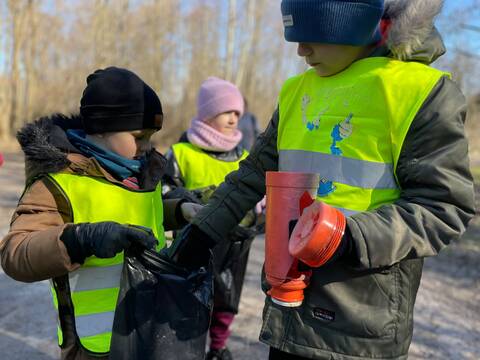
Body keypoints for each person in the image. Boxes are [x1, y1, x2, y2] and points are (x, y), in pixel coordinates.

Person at [171, 1, 476, 359]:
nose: (300, 50)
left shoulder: (421, 93)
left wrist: (348, 236)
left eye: (312, 35)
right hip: (288, 313)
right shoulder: (297, 91)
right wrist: (200, 235)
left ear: (353, 23)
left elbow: (443, 206)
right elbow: (251, 176)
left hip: (359, 326)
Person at [0, 67, 200, 360]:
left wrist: (180, 211)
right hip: (92, 344)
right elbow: (14, 253)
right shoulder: (59, 182)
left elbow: (143, 215)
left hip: (147, 328)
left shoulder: (141, 174)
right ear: (103, 128)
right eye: (138, 136)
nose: (146, 146)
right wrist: (82, 239)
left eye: (151, 136)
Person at [163, 77, 257, 360]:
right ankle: (187, 348)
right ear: (207, 113)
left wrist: (256, 217)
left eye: (237, 113)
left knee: (226, 299)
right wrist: (190, 201)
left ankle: (218, 347)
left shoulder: (246, 157)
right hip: (193, 240)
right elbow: (165, 190)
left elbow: (259, 198)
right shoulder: (182, 153)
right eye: (226, 111)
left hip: (234, 246)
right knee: (189, 298)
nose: (233, 118)